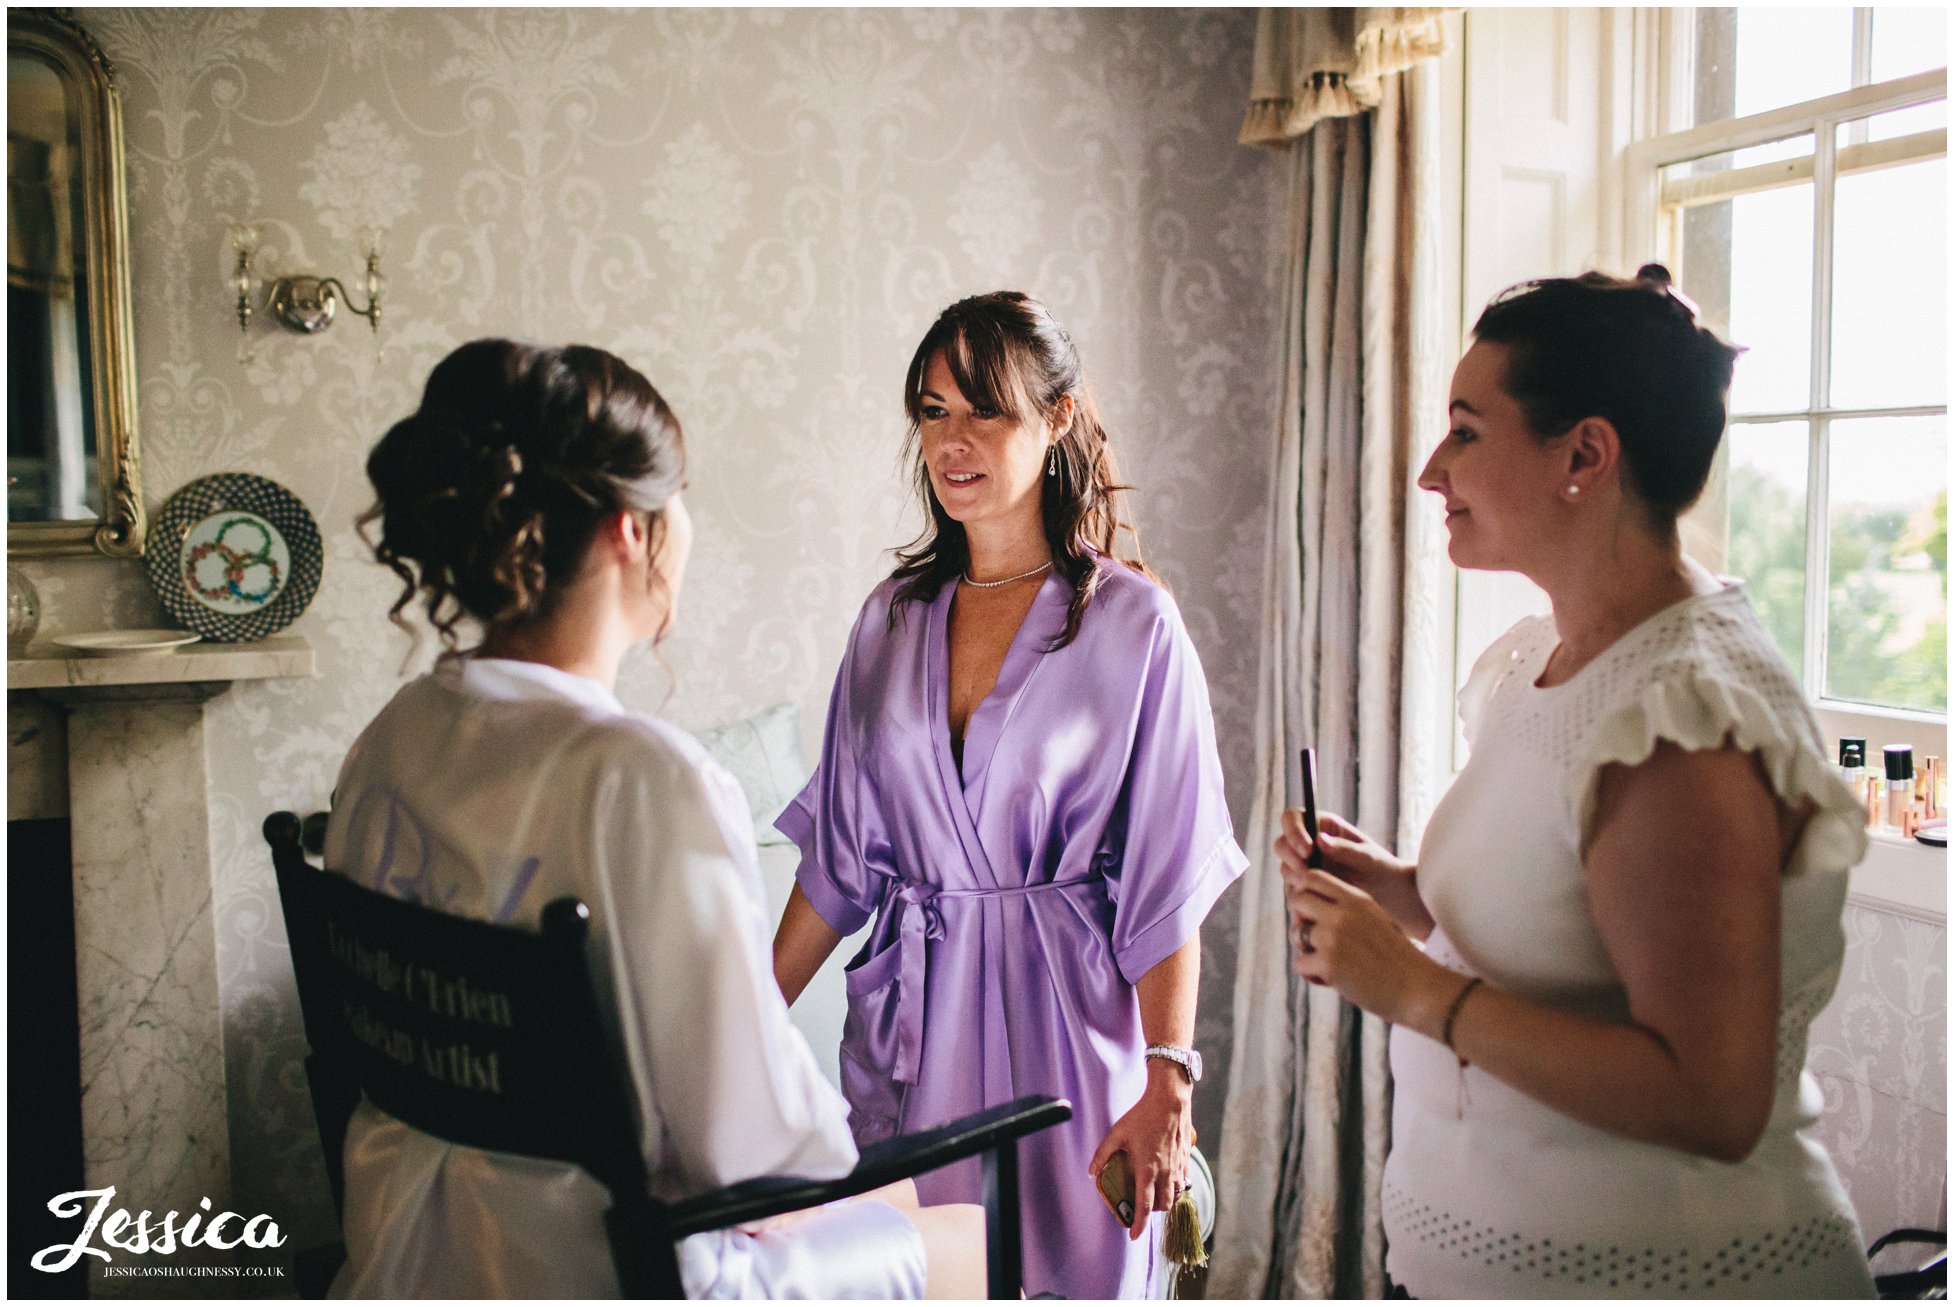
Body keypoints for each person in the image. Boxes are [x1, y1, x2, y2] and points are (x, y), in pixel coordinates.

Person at [325, 339, 983, 1299]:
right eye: (679, 500)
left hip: (413, 1245)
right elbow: (759, 1152)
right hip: (602, 1259)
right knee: (957, 1221)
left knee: (897, 1210)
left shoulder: (392, 739)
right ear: (632, 531)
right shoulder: (639, 779)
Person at [1278, 267, 1877, 1297]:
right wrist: (1400, 891)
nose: (1430, 469)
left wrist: (1413, 986)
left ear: (1584, 456)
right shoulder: (1542, 662)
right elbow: (1565, 921)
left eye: (1465, 430)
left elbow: (1710, 1097)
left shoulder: (1681, 720)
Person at [770, 292, 1248, 1299]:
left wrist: (1169, 1078)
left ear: (1058, 416)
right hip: (911, 1035)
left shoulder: (1133, 627)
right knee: (918, 1277)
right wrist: (745, 1015)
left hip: (1067, 1039)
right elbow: (841, 859)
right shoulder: (890, 621)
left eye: (985, 409)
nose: (953, 440)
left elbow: (1164, 879)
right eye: (932, 410)